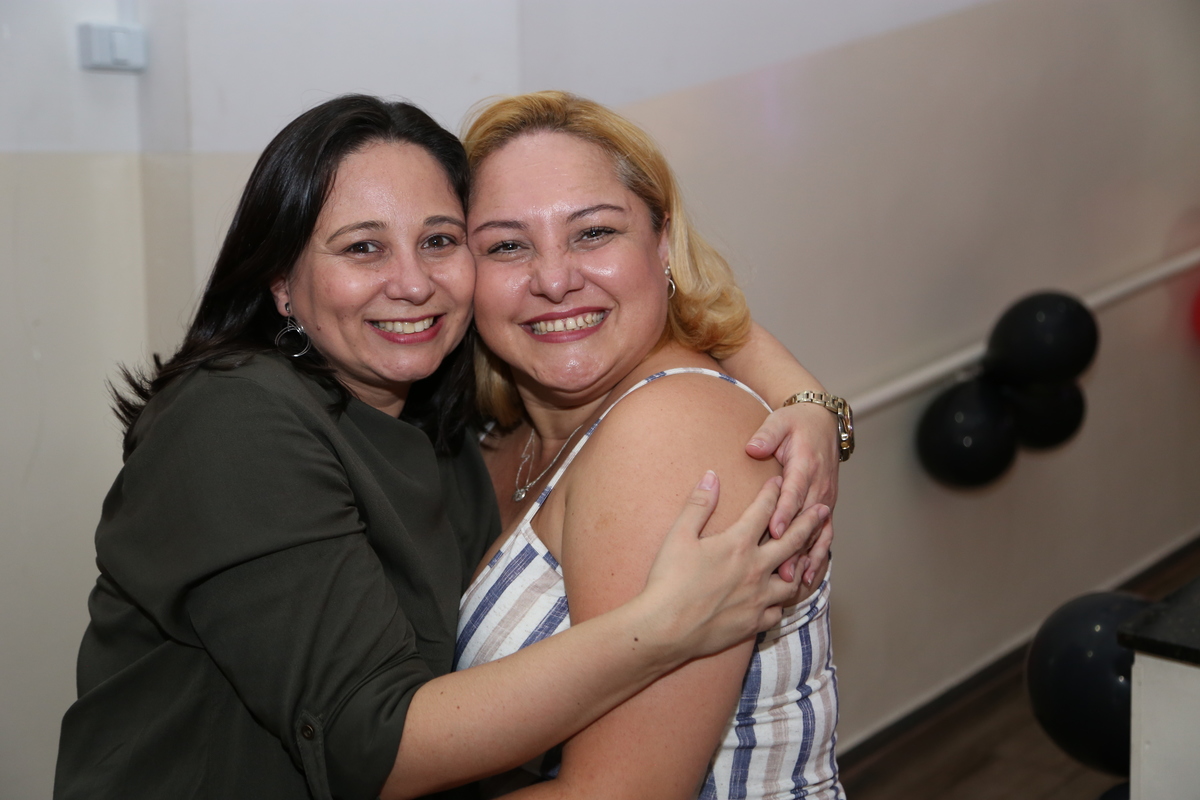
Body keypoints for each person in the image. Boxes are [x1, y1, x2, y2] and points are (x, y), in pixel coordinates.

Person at [53, 95, 838, 800]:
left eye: (437, 240)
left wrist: (811, 403)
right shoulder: (258, 420)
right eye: (506, 246)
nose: (413, 283)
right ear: (281, 283)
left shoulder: (526, 429)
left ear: (663, 243)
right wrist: (657, 630)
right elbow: (369, 741)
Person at [456, 92, 844, 799]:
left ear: (662, 243)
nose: (554, 280)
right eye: (507, 245)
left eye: (593, 233)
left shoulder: (671, 427)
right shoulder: (500, 434)